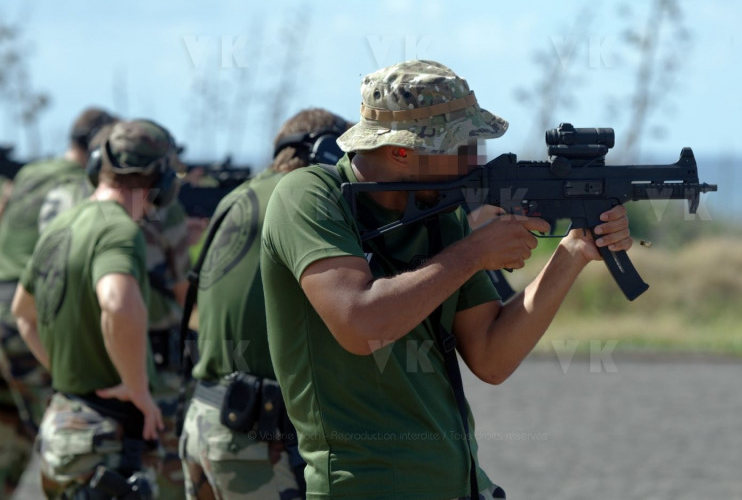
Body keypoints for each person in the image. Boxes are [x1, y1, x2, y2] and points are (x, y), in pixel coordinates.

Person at [260, 60, 633, 499]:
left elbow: (492, 357)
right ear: (400, 151)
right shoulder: (308, 197)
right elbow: (361, 324)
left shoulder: (441, 213)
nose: (476, 162)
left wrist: (572, 254)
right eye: (461, 146)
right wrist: (474, 252)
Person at [180, 108, 350, 500]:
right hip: (255, 439)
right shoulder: (303, 201)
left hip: (205, 419)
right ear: (326, 152)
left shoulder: (239, 196)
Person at [11, 119, 175, 499]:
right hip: (107, 440)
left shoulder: (60, 226)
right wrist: (137, 389)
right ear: (162, 180)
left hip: (63, 427)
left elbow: (22, 313)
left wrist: (66, 369)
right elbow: (117, 304)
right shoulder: (120, 230)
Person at [0, 106, 115, 498]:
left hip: (5, 302)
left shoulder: (31, 172)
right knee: (68, 432)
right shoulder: (80, 186)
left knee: (11, 434)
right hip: (25, 310)